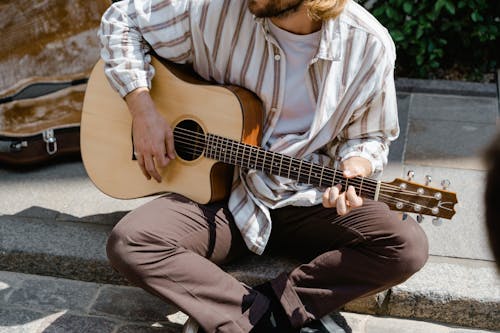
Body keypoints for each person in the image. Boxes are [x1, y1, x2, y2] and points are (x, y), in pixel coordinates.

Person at [99, 0, 429, 332]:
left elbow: (370, 135)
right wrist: (142, 110)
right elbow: (122, 19)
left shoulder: (368, 44)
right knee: (132, 241)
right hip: (225, 196)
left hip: (308, 198)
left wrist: (357, 164)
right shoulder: (215, 9)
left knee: (406, 246)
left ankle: (266, 312)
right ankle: (266, 318)